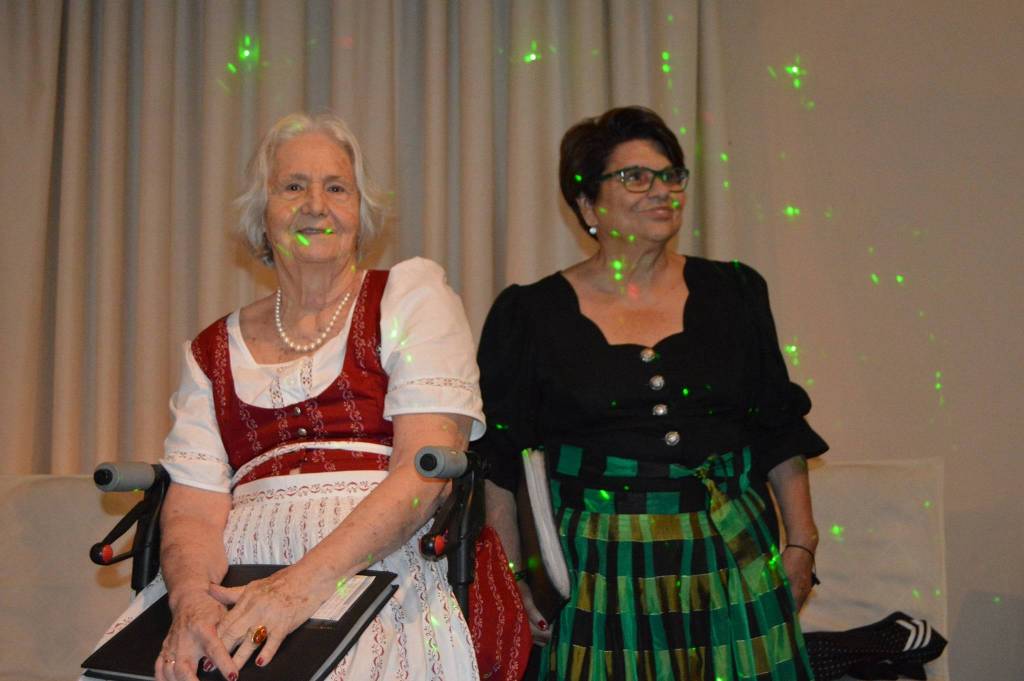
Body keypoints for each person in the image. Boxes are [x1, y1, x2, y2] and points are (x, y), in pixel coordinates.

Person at [84, 112, 486, 681]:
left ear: (360, 212)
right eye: (293, 186)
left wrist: (297, 588)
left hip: (374, 564)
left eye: (337, 188)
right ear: (261, 215)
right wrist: (193, 600)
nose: (316, 206)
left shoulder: (410, 297)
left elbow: (423, 474)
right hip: (233, 580)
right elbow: (194, 509)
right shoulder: (210, 349)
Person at [476, 106, 828, 681]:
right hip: (597, 568)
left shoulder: (736, 291)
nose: (662, 190)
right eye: (635, 177)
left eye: (670, 175)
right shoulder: (529, 314)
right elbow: (501, 462)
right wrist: (516, 577)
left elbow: (778, 428)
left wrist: (802, 545)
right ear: (588, 204)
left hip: (732, 556)